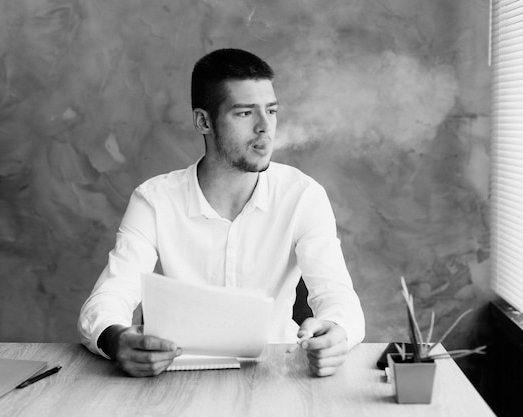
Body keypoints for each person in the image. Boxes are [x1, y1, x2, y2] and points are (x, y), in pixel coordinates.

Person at [78, 48, 365, 377]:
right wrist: (116, 339)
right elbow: (107, 299)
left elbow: (339, 297)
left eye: (270, 111)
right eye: (245, 113)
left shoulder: (303, 196)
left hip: (277, 378)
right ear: (204, 121)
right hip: (177, 381)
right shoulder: (154, 200)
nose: (264, 127)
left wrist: (338, 331)